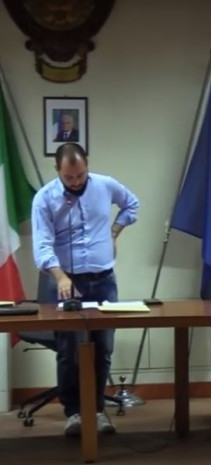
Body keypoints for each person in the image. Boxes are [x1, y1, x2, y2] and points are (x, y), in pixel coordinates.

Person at [31, 143, 139, 436]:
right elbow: (42, 246)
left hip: (104, 280)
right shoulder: (44, 199)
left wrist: (114, 231)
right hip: (66, 283)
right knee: (69, 351)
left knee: (103, 347)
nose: (76, 182)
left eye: (80, 175)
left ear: (87, 165)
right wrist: (60, 276)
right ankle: (74, 413)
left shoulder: (105, 185)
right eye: (69, 177)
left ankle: (97, 410)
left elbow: (132, 204)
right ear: (57, 170)